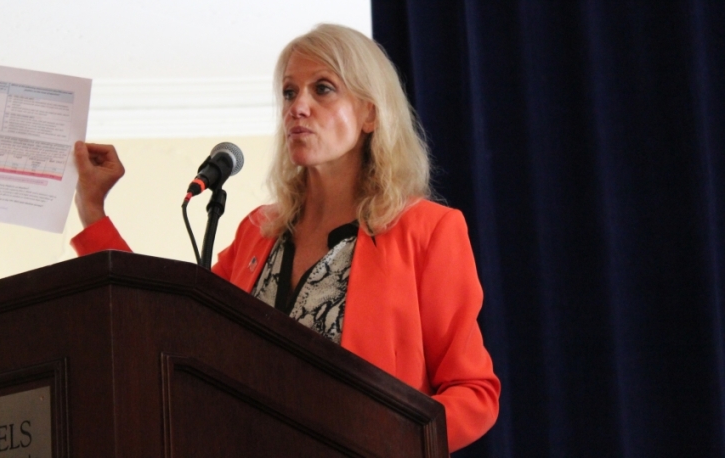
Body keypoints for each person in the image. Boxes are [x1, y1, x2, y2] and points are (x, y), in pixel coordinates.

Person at [70, 24, 500, 451]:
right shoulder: (258, 231)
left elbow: (473, 392)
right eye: (290, 93)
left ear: (370, 114)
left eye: (323, 89)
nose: (298, 107)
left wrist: (386, 442)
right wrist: (92, 210)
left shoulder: (426, 230)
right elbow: (160, 325)